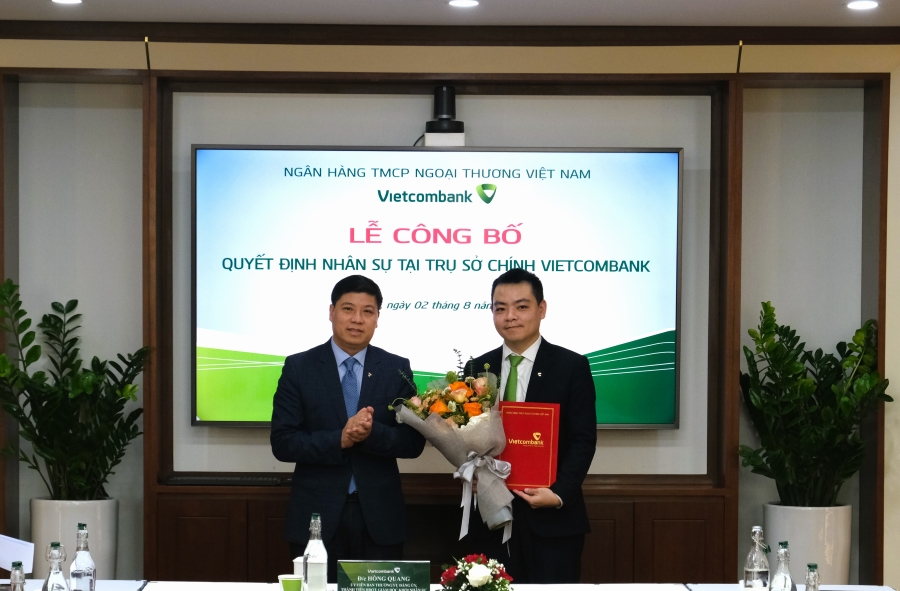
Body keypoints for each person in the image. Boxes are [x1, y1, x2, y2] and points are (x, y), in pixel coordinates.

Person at [270, 274, 426, 582]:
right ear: (331, 312)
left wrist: (372, 434)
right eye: (348, 309)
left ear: (377, 318)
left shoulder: (396, 368)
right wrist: (340, 439)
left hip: (380, 518)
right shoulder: (299, 367)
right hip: (317, 517)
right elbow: (283, 442)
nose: (357, 319)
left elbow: (413, 443)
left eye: (368, 311)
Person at [467, 268, 597, 583]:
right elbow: (465, 436)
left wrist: (559, 493)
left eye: (521, 306)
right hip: (491, 520)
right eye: (500, 308)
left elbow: (583, 439)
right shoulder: (476, 368)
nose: (510, 316)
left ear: (542, 309)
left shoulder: (571, 366)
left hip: (553, 520)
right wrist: (472, 471)